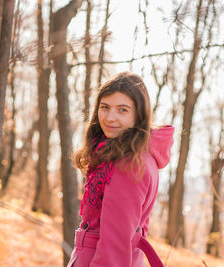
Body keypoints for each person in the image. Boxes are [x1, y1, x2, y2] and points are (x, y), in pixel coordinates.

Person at [67, 72, 174, 267]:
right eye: (105, 107)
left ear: (138, 115)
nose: (110, 117)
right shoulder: (130, 154)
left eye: (122, 110)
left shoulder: (129, 163)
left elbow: (115, 242)